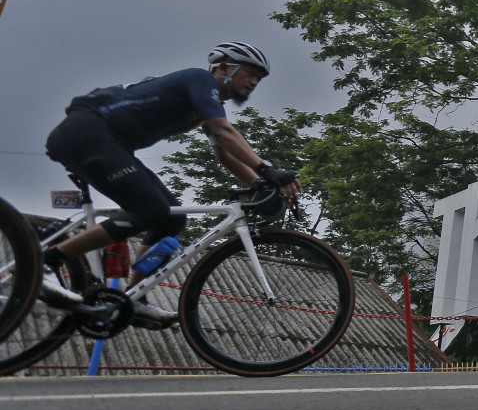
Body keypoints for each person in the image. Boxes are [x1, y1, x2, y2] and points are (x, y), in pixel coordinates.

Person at [38, 42, 301, 328]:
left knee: (172, 217)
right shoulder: (199, 79)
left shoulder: (206, 105)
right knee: (150, 209)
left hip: (110, 143)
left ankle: (134, 297)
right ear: (225, 67)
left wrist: (262, 184)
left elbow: (225, 154)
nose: (254, 82)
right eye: (250, 73)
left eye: (259, 78)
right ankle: (46, 261)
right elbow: (224, 132)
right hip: (87, 132)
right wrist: (268, 170)